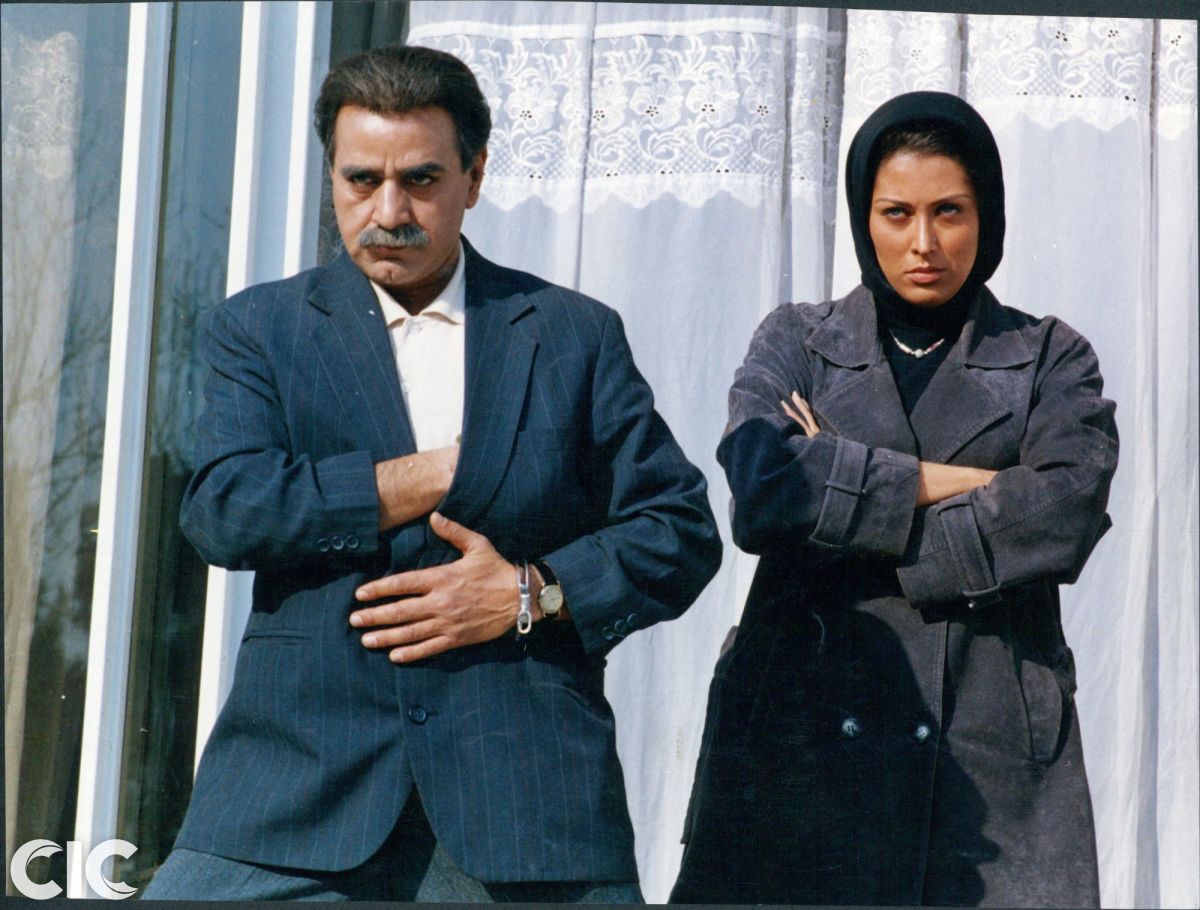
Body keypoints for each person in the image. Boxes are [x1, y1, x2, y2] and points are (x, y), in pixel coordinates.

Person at [143, 45, 721, 903]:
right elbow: (226, 509)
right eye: (361, 180)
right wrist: (433, 473)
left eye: (420, 180)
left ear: (474, 177)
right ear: (331, 176)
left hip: (526, 797)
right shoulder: (260, 328)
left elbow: (678, 531)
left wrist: (531, 592)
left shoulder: (573, 334)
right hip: (293, 793)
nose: (389, 211)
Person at [671, 91, 1117, 907]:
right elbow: (764, 493)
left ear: (988, 216)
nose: (923, 243)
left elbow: (1065, 512)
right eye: (896, 213)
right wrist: (981, 484)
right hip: (800, 723)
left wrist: (840, 473)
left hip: (987, 727)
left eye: (949, 211)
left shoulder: (1050, 355)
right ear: (862, 216)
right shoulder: (798, 339)